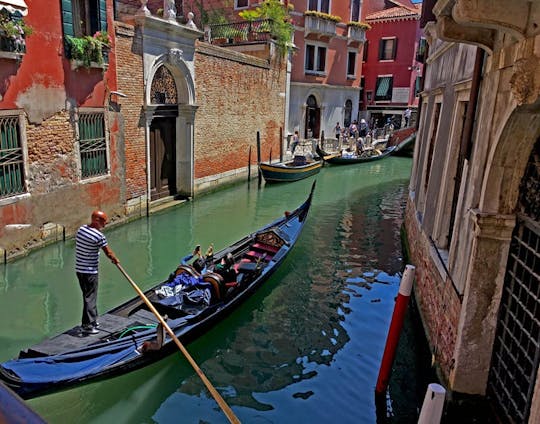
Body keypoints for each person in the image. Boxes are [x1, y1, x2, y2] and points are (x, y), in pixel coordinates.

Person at [75, 210, 119, 335]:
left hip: (79, 270)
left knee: (88, 297)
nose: (105, 225)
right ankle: (88, 326)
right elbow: (108, 252)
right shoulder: (99, 236)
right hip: (90, 272)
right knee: (90, 298)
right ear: (96, 221)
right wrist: (116, 260)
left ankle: (92, 320)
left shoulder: (81, 229)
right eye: (103, 222)